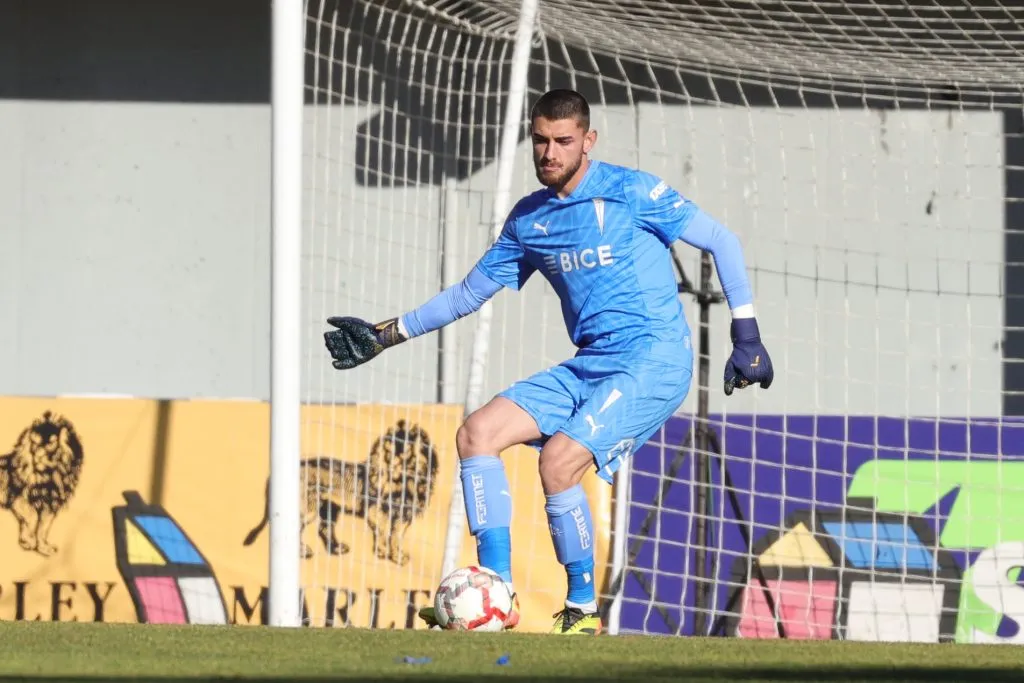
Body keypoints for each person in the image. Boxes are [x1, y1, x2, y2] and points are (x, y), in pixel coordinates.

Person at [324, 89, 773, 635]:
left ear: (588, 141)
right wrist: (382, 335)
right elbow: (468, 295)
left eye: (563, 141)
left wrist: (745, 332)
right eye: (540, 141)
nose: (549, 153)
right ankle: (497, 591)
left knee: (558, 462)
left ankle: (582, 610)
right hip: (590, 364)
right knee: (477, 433)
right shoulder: (529, 220)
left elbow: (721, 241)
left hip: (654, 361)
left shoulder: (631, 191)